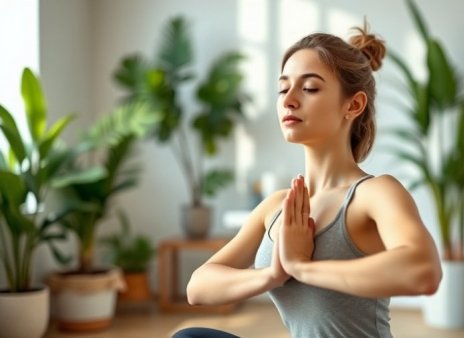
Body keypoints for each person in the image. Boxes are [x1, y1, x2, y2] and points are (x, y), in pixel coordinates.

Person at [173, 22, 442, 338]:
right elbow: (198, 286)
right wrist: (273, 274)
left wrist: (303, 268)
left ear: (353, 105)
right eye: (283, 88)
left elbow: (423, 271)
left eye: (310, 88)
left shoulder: (374, 193)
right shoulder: (278, 205)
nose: (289, 100)